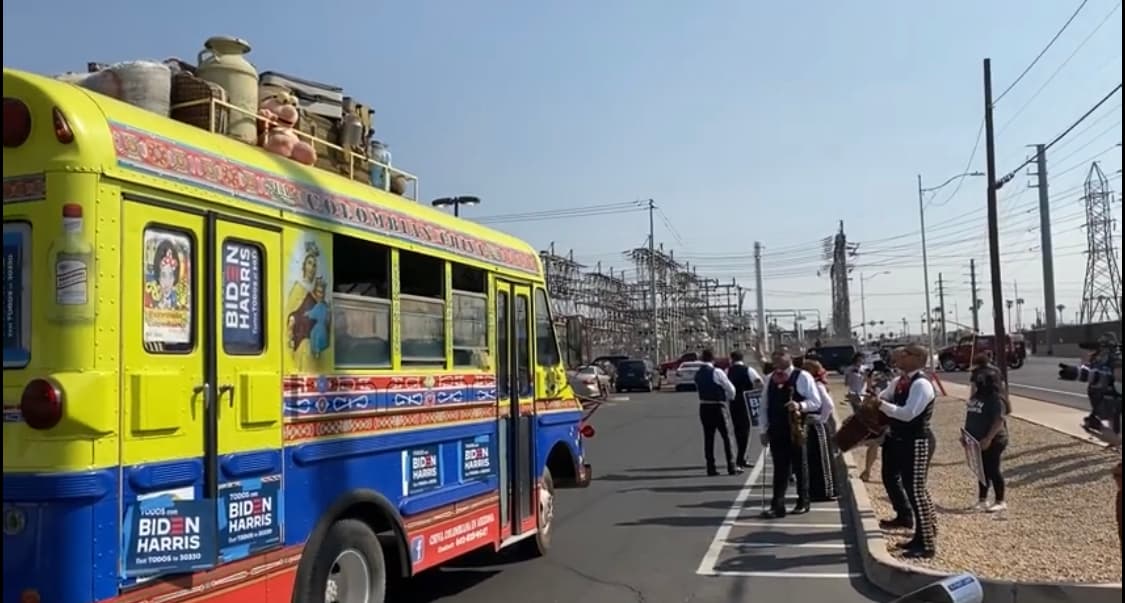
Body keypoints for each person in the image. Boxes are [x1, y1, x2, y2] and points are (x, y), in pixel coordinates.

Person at [868, 344, 938, 559]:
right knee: (910, 487)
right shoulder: (899, 381)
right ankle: (919, 535)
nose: (898, 358)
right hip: (898, 439)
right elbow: (886, 397)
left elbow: (908, 414)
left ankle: (927, 543)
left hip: (915, 441)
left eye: (904, 354)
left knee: (916, 491)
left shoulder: (922, 385)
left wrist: (882, 406)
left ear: (917, 358)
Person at [759, 348, 821, 518]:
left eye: (780, 354)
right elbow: (764, 406)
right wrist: (763, 430)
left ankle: (803, 501)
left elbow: (816, 402)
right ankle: (777, 505)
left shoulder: (802, 376)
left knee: (800, 465)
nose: (777, 358)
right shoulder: (769, 378)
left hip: (796, 428)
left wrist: (800, 406)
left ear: (790, 357)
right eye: (774, 355)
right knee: (780, 468)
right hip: (776, 429)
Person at [964, 352, 1010, 513]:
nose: (976, 383)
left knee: (992, 469)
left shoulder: (995, 399)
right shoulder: (977, 397)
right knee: (981, 471)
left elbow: (999, 420)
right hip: (976, 438)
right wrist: (967, 436)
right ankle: (982, 499)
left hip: (994, 439)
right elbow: (972, 416)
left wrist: (988, 438)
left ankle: (1000, 500)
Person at [693, 349, 741, 476]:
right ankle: (732, 466)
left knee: (709, 438)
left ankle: (711, 467)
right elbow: (731, 388)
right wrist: (729, 398)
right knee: (727, 437)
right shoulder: (717, 372)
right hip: (718, 406)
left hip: (704, 406)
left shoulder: (698, 373)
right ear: (713, 359)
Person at [802, 359, 840, 502]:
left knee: (823, 460)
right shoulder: (809, 386)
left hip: (817, 426)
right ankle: (816, 491)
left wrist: (820, 419)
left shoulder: (817, 386)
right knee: (813, 459)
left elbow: (828, 405)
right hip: (810, 426)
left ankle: (828, 491)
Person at [727, 350, 765, 468]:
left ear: (732, 359)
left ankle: (740, 456)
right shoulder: (748, 370)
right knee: (745, 431)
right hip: (746, 402)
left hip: (733, 402)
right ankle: (741, 458)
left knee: (737, 429)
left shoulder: (728, 371)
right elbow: (759, 383)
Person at [844, 353, 879, 482]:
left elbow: (870, 384)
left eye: (862, 360)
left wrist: (867, 377)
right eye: (858, 360)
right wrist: (851, 375)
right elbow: (846, 383)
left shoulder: (866, 369)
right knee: (859, 414)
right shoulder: (849, 369)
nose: (860, 362)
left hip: (864, 395)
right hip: (854, 394)